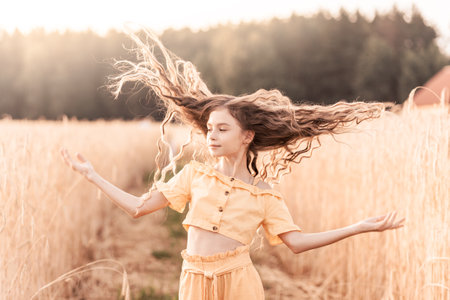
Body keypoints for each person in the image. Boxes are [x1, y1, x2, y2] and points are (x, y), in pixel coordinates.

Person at [60, 27, 405, 300]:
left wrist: (359, 227)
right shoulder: (194, 176)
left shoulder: (264, 196)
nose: (211, 135)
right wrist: (92, 176)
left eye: (223, 129)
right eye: (209, 128)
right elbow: (138, 207)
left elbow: (296, 244)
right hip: (193, 281)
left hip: (239, 283)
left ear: (246, 136)